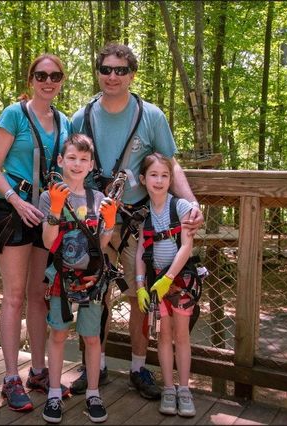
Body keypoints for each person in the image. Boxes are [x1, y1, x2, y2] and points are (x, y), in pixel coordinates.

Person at [70, 42, 204, 399]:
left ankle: (138, 367)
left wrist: (190, 203)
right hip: (94, 224)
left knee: (138, 297)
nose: (112, 76)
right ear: (97, 71)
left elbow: (171, 165)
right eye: (106, 69)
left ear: (131, 74)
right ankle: (92, 367)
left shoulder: (151, 116)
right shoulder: (80, 117)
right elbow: (67, 167)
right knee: (94, 295)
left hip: (136, 225)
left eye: (120, 70)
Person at [0, 54, 72, 412]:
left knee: (39, 294)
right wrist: (16, 201)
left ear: (62, 80)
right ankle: (10, 378)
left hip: (46, 214)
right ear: (30, 78)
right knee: (15, 295)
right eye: (41, 75)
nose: (47, 81)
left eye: (54, 76)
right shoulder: (14, 114)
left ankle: (38, 371)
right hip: (12, 210)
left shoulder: (64, 122)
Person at [40, 134, 117, 424]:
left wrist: (109, 223)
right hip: (61, 274)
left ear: (91, 164)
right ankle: (54, 393)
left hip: (92, 277)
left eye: (84, 159)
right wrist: (56, 210)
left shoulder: (97, 198)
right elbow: (48, 243)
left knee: (92, 337)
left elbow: (103, 242)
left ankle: (93, 392)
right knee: (58, 333)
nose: (77, 163)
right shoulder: (50, 196)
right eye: (71, 157)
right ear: (60, 161)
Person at [135, 152, 196, 417]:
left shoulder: (180, 207)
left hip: (180, 282)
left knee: (181, 335)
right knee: (163, 335)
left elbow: (186, 246)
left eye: (164, 175)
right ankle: (168, 388)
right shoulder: (144, 213)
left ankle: (184, 388)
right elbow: (140, 251)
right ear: (143, 179)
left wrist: (168, 279)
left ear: (171, 179)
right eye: (153, 175)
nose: (159, 180)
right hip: (153, 282)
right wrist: (140, 284)